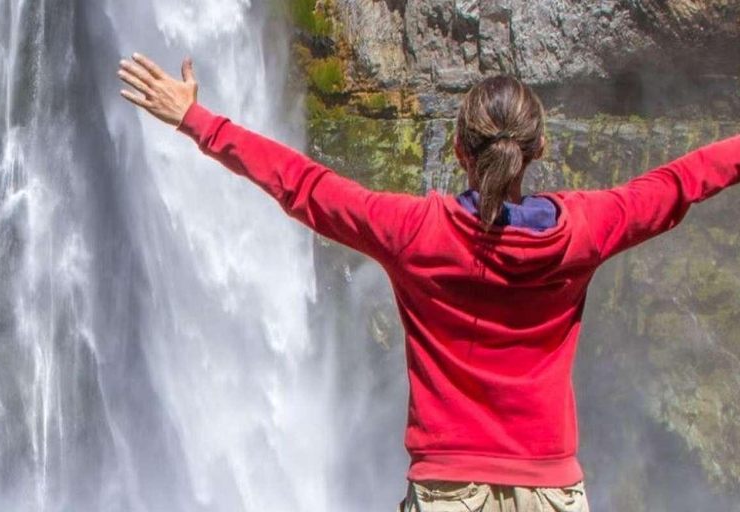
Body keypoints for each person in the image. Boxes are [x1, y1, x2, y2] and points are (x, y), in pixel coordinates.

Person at [117, 54, 740, 512]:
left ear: (458, 149)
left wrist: (196, 119)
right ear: (539, 148)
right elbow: (682, 181)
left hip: (448, 488)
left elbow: (303, 187)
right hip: (550, 486)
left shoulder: (414, 231)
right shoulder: (584, 229)